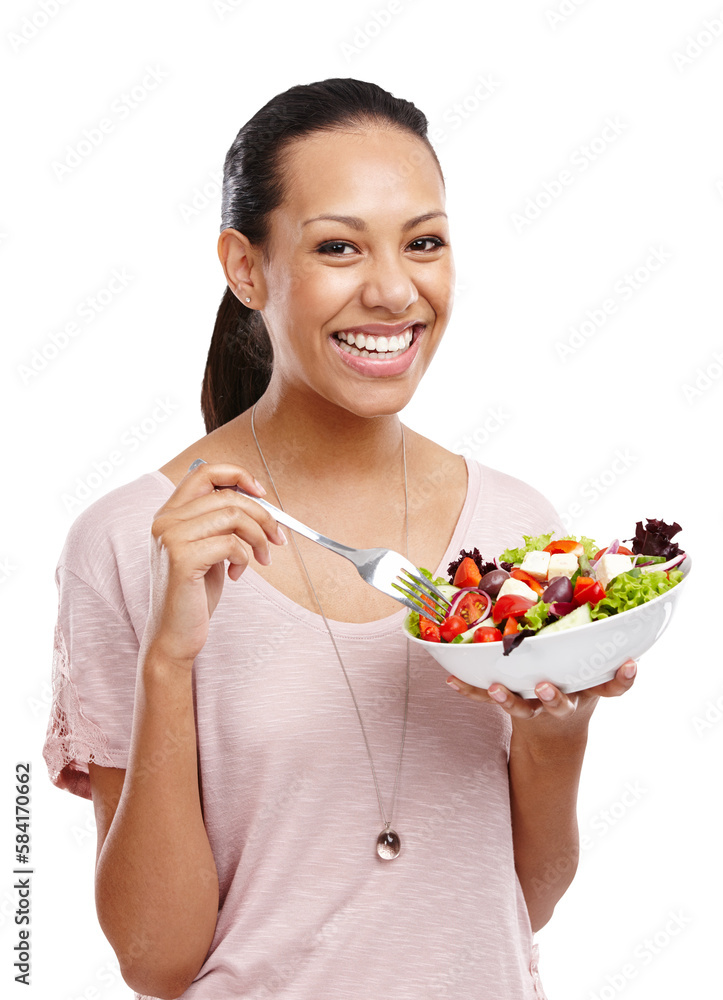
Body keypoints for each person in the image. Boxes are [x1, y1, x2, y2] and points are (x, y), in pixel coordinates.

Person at [43, 78, 636, 1000]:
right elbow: (156, 962)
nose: (394, 290)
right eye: (337, 247)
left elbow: (527, 897)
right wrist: (169, 662)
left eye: (424, 243)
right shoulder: (130, 541)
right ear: (245, 268)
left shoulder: (517, 533)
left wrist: (561, 730)